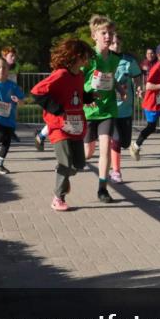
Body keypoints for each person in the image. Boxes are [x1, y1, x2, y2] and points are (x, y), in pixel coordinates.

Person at [31, 38, 95, 211]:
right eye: (85, 57)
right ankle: (58, 198)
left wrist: (90, 97)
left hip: (75, 125)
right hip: (59, 126)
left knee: (78, 165)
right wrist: (57, 109)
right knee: (66, 163)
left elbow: (77, 94)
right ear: (75, 56)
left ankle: (61, 170)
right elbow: (37, 92)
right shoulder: (61, 74)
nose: (87, 61)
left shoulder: (79, 75)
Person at [84, 15, 123, 204]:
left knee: (105, 149)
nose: (108, 36)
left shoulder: (114, 58)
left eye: (110, 33)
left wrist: (119, 88)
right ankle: (67, 166)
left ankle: (102, 189)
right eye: (104, 33)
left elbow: (110, 77)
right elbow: (77, 80)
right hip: (89, 110)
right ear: (94, 36)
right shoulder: (87, 58)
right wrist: (86, 96)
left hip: (108, 109)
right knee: (87, 153)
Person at [108, 32, 143, 184]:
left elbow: (137, 77)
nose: (116, 46)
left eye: (118, 43)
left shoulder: (129, 61)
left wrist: (139, 87)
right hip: (110, 107)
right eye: (113, 43)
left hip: (126, 108)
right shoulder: (105, 60)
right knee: (116, 139)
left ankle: (110, 152)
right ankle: (116, 171)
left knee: (125, 143)